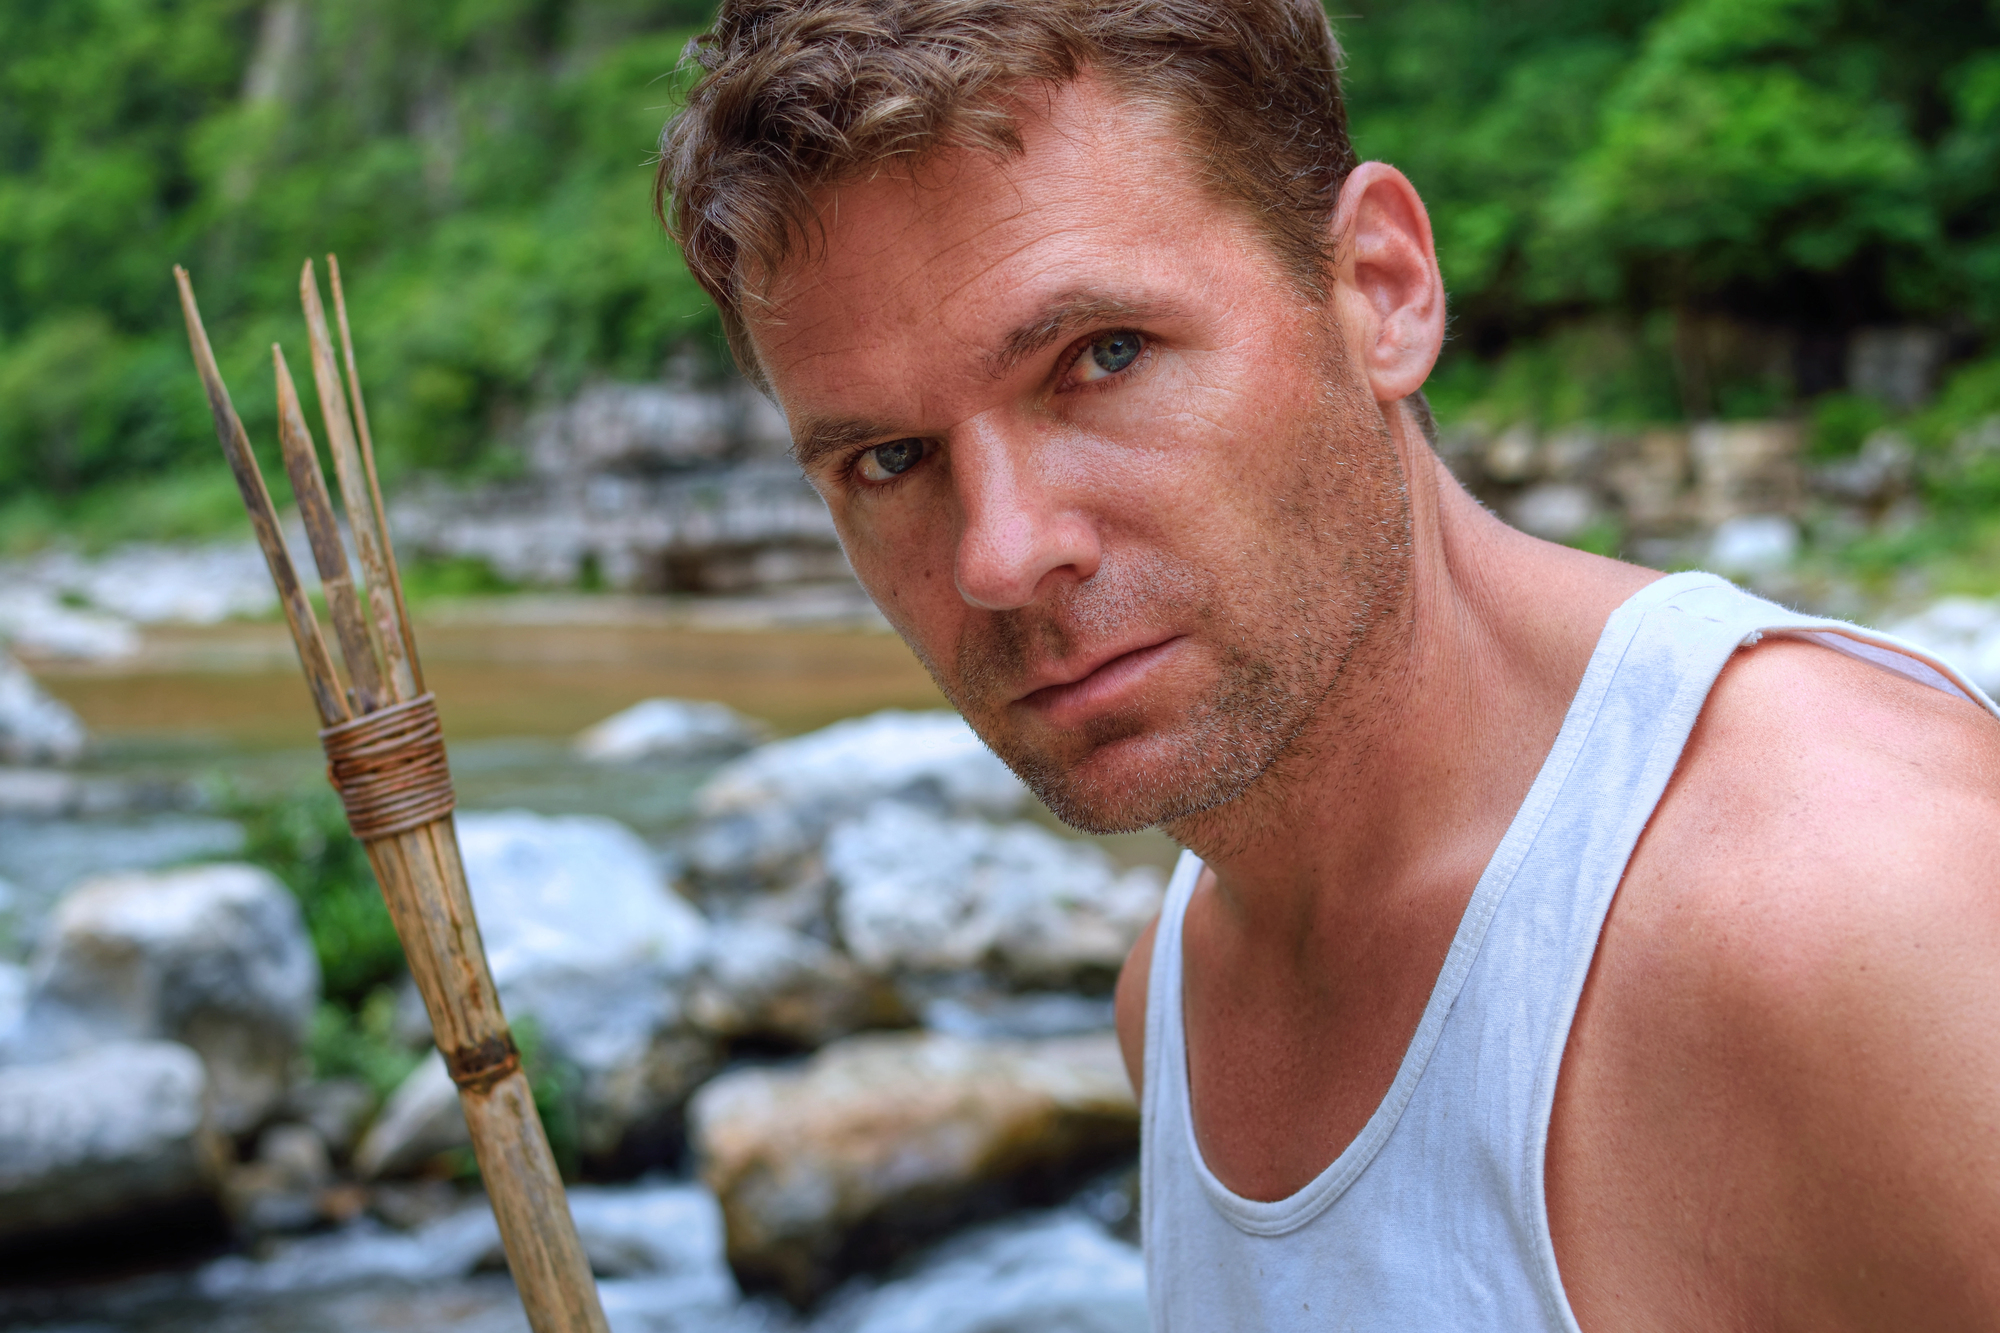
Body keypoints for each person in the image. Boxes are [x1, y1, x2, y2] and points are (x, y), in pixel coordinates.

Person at [656, 1, 2000, 1325]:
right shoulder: (1174, 998)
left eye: (1103, 356)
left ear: (1380, 289)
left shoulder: (1862, 916)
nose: (1002, 555)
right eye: (888, 459)